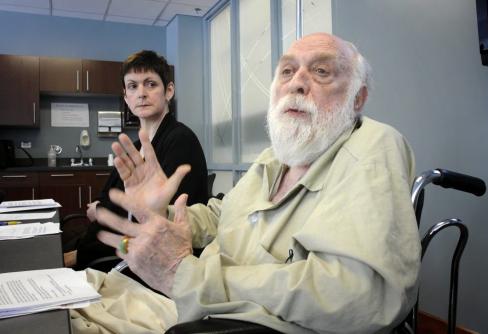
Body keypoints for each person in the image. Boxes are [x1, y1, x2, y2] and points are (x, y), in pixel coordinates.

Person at [73, 33, 421, 333]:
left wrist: (190, 277)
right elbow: (224, 213)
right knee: (71, 298)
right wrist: (164, 212)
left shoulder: (372, 145)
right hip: (195, 305)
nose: (296, 82)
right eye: (287, 71)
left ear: (357, 98)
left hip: (231, 323)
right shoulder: (277, 157)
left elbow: (358, 295)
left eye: (321, 71)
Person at [63, 50, 209, 269]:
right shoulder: (136, 147)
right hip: (100, 245)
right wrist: (100, 211)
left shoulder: (180, 141)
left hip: (138, 261)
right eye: (133, 86)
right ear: (125, 97)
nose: (141, 93)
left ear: (168, 91)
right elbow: (108, 199)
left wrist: (79, 256)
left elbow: (155, 229)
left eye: (150, 84)